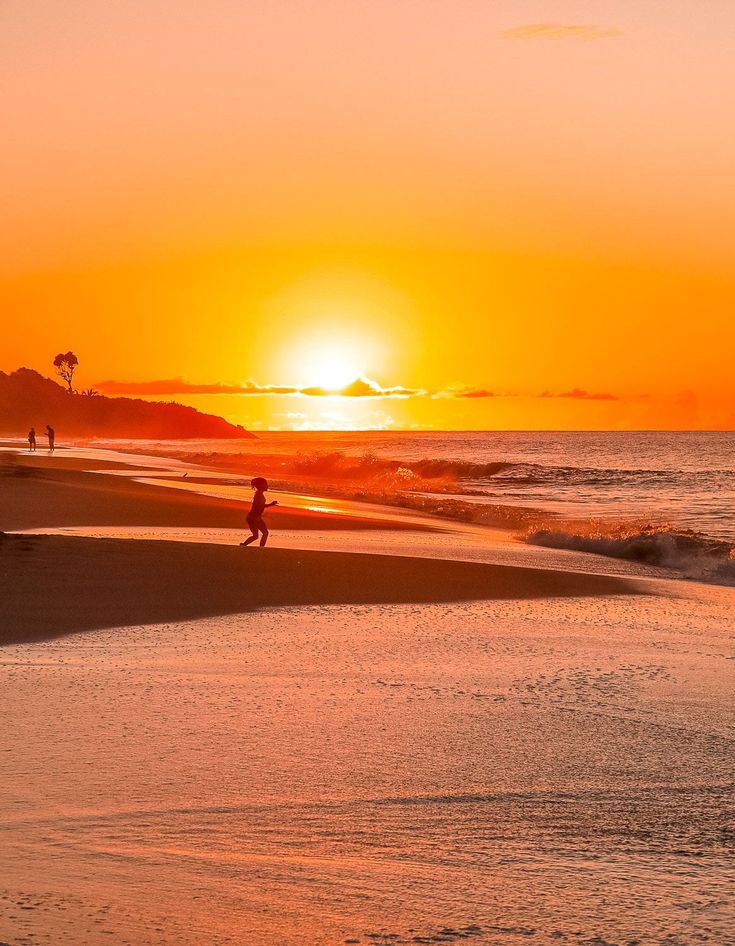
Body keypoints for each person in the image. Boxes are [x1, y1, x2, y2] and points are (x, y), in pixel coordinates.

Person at [241, 477, 278, 547]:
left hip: (252, 517)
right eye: (265, 484)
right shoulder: (259, 495)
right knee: (265, 533)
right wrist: (271, 504)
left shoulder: (258, 494)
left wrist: (270, 505)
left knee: (255, 536)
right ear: (261, 486)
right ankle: (261, 548)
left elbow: (259, 506)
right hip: (255, 518)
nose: (267, 486)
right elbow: (260, 506)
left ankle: (243, 545)